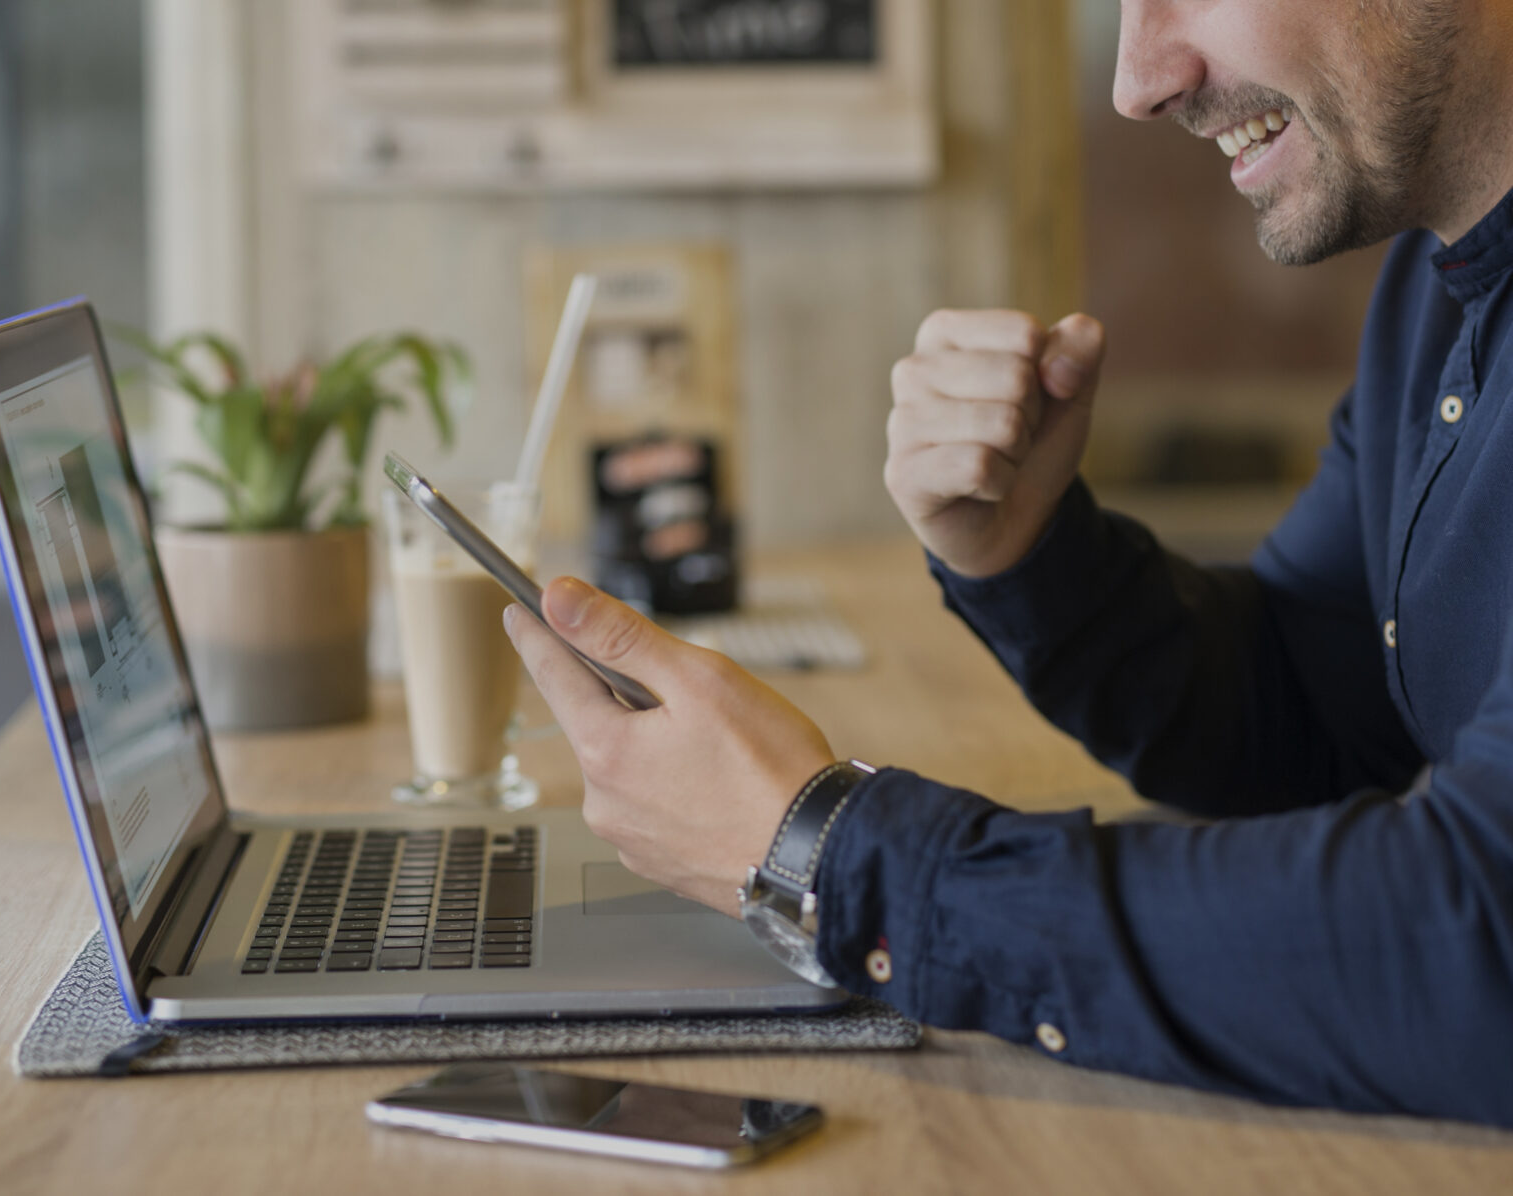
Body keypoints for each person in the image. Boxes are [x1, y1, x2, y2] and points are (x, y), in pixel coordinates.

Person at [502, 0, 1513, 1127]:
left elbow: (1477, 941)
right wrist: (1030, 549)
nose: (1141, 78)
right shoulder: (1435, 286)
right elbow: (1319, 718)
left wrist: (829, 854)